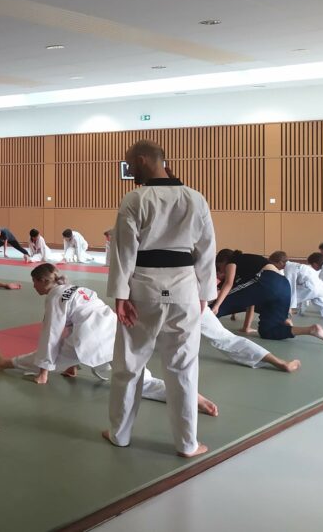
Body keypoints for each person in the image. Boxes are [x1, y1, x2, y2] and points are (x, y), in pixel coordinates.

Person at [0, 264, 219, 418]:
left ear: (42, 281)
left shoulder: (55, 296)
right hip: (113, 331)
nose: (35, 287)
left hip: (89, 338)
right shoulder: (77, 288)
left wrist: (44, 373)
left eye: (35, 283)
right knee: (142, 379)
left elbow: (51, 333)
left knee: (46, 354)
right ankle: (191, 398)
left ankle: (3, 363)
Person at [105, 140, 216, 459]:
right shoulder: (196, 199)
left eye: (130, 164)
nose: (129, 170)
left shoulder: (135, 199)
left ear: (142, 160)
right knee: (183, 368)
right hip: (184, 290)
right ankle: (187, 444)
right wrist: (204, 294)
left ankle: (120, 435)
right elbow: (206, 252)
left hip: (143, 290)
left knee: (128, 365)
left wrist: (120, 296)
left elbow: (123, 253)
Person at [213, 249, 323, 344]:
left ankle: (201, 319)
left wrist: (216, 306)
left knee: (218, 306)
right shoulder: (248, 271)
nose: (220, 271)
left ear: (224, 261)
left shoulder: (233, 260)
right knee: (268, 331)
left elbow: (228, 285)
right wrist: (246, 327)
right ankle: (311, 330)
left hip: (268, 281)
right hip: (283, 287)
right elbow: (249, 301)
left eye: (219, 267)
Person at [269, 251, 323, 322]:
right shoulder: (296, 265)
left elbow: (290, 289)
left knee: (284, 298)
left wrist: (290, 308)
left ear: (280, 262)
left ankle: (283, 318)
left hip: (310, 288)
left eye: (273, 264)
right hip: (320, 288)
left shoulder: (289, 268)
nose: (274, 267)